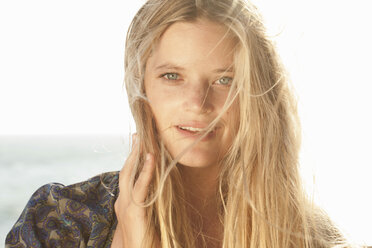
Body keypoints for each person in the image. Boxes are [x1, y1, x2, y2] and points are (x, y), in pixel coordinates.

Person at [6, 0, 353, 247]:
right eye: (172, 76)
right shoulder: (58, 223)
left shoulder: (309, 238)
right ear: (141, 87)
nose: (198, 104)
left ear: (257, 96)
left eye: (225, 80)